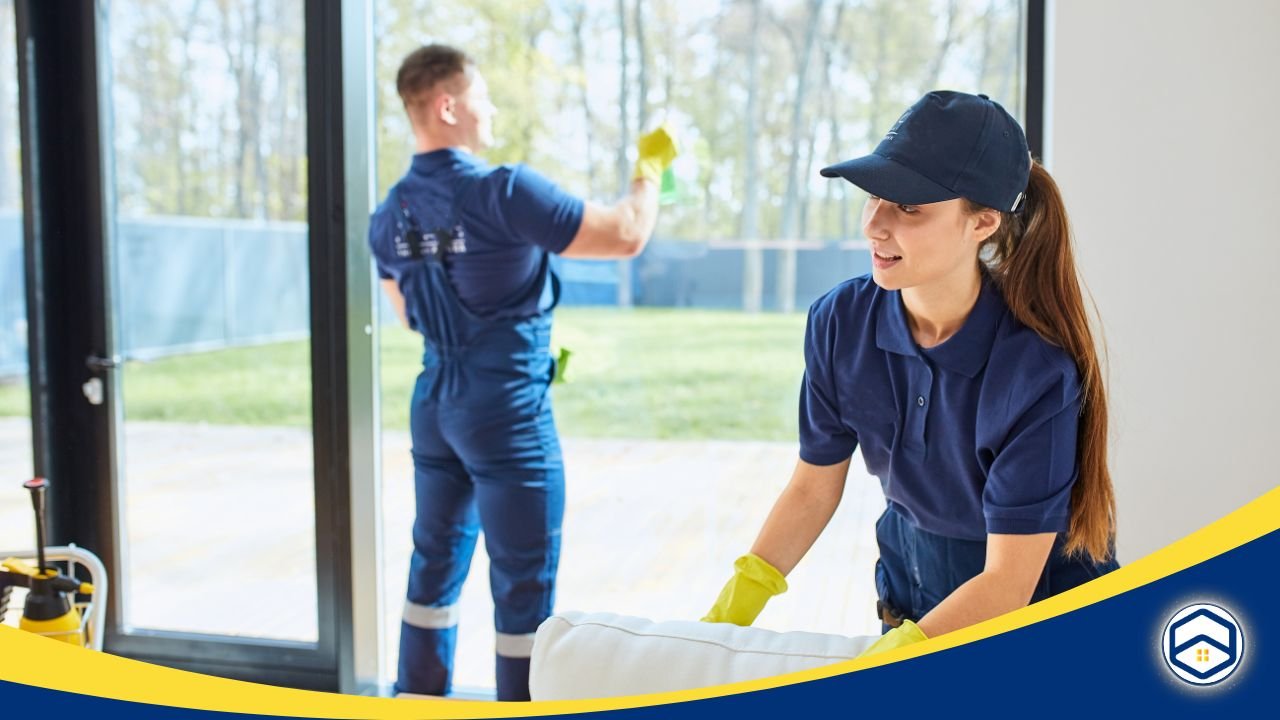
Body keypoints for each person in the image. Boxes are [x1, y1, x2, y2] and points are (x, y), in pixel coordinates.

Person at [702, 91, 1119, 658]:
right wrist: (734, 606)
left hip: (1037, 616)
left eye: (909, 207)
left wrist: (890, 658)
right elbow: (812, 486)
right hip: (912, 595)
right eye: (875, 196)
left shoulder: (1033, 372)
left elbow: (1007, 584)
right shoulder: (840, 324)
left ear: (983, 222)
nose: (875, 224)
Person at [368, 44, 677, 700]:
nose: (492, 108)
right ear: (448, 106)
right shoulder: (503, 192)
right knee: (522, 588)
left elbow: (410, 315)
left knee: (432, 571)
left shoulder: (388, 215)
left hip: (436, 409)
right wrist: (649, 170)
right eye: (482, 95)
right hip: (505, 414)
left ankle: (416, 706)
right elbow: (624, 234)